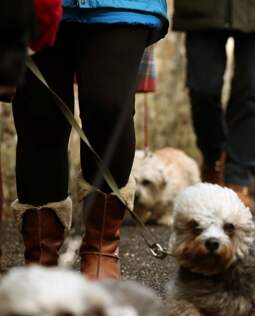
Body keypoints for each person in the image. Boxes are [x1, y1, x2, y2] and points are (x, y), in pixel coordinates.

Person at [11, 0, 168, 280]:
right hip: (34, 5)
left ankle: (101, 248)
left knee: (108, 106)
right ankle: (40, 258)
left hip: (121, 6)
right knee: (39, 115)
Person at [173, 0, 255, 210]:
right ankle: (213, 157)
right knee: (202, 90)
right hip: (203, 10)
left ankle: (238, 177)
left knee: (253, 92)